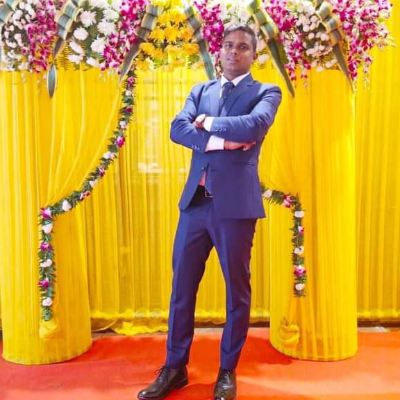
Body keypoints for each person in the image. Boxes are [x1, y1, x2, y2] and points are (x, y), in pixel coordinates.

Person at [137, 25, 282, 400]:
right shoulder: (200, 91)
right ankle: (174, 368)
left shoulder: (266, 92)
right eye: (228, 45)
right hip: (195, 205)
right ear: (219, 51)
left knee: (237, 292)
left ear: (253, 55)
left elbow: (254, 125)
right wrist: (224, 141)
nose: (234, 52)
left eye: (243, 47)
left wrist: (208, 124)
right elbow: (176, 129)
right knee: (181, 289)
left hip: (235, 209)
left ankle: (227, 371)